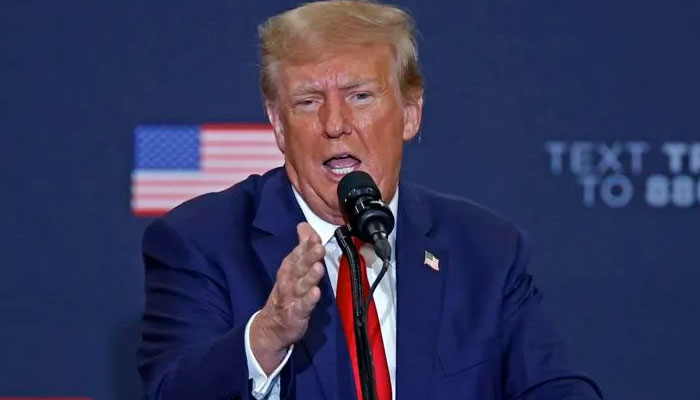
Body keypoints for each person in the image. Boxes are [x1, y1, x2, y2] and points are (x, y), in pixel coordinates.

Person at [137, 1, 602, 399]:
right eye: (308, 102)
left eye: (360, 96)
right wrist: (268, 335)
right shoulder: (201, 242)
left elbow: (554, 388)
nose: (335, 123)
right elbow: (169, 390)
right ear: (278, 124)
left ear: (410, 114)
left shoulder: (486, 250)